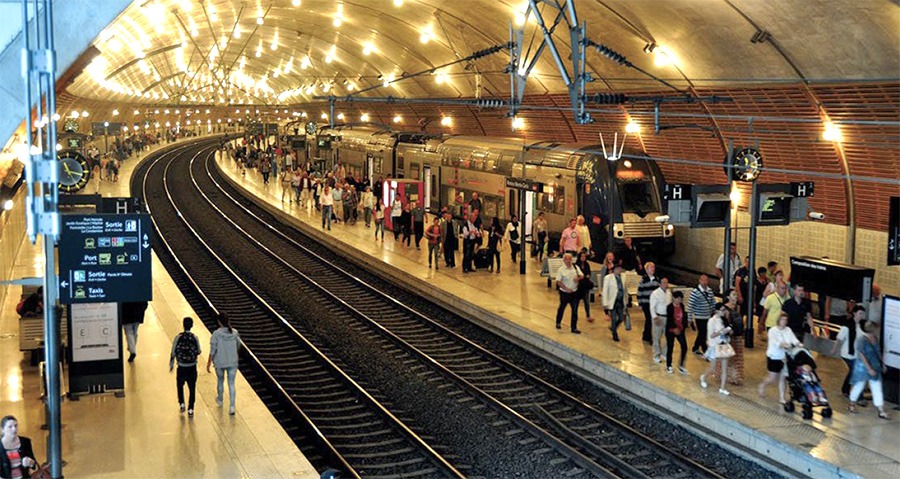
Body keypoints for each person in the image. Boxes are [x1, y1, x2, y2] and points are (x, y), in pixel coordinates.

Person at [848, 321, 890, 419]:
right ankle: (852, 403)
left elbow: (879, 352)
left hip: (875, 366)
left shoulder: (875, 338)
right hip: (863, 367)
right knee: (859, 385)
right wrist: (869, 368)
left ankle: (881, 410)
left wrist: (882, 364)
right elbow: (861, 355)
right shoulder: (861, 340)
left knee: (877, 387)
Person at [757, 313, 801, 404]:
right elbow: (775, 342)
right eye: (782, 320)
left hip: (785, 357)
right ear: (778, 320)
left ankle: (782, 397)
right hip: (774, 357)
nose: (784, 322)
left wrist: (798, 344)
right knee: (772, 378)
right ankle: (763, 385)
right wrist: (784, 345)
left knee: (783, 378)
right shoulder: (773, 331)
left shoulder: (788, 330)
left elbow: (794, 339)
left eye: (785, 320)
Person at [207, 313, 240, 415]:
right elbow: (238, 345)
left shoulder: (216, 334)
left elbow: (213, 350)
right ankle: (232, 407)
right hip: (232, 362)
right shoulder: (234, 333)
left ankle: (220, 399)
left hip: (220, 362)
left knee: (220, 380)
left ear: (219, 322)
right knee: (231, 384)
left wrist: (208, 363)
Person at [170, 317, 202, 417]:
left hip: (181, 367)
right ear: (191, 325)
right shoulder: (194, 337)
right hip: (192, 367)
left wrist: (171, 364)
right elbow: (199, 351)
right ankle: (191, 409)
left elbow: (173, 352)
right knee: (192, 388)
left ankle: (182, 403)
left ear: (183, 325)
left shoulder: (178, 337)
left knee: (180, 386)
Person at [832, 305, 867, 398]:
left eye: (862, 314)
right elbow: (839, 338)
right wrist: (834, 349)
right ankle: (849, 390)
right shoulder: (847, 325)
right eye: (860, 313)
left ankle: (846, 389)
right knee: (853, 370)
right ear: (854, 313)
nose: (861, 315)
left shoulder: (860, 325)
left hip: (855, 353)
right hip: (847, 353)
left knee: (853, 371)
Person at [700, 303, 733, 395]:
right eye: (722, 310)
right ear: (716, 311)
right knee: (713, 368)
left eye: (724, 310)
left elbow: (727, 333)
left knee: (724, 368)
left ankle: (722, 388)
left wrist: (728, 331)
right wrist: (723, 331)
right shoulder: (712, 321)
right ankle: (703, 377)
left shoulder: (723, 320)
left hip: (724, 345)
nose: (724, 312)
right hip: (715, 346)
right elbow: (711, 335)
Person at [555, 253, 583, 334]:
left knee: (574, 310)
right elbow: (558, 282)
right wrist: (566, 289)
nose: (568, 261)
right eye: (566, 259)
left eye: (570, 259)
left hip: (574, 292)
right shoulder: (561, 270)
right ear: (564, 260)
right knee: (562, 308)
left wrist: (578, 278)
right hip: (564, 293)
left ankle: (574, 327)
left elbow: (582, 275)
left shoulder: (575, 267)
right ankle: (558, 322)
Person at [689, 274, 716, 356]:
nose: (704, 282)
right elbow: (690, 305)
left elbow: (713, 303)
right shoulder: (695, 292)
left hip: (708, 316)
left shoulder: (710, 291)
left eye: (706, 280)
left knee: (703, 333)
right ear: (699, 281)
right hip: (699, 317)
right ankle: (705, 350)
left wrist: (714, 313)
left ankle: (695, 347)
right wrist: (690, 319)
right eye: (703, 280)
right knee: (702, 333)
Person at [722, 289, 745, 386]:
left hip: (738, 336)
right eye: (734, 294)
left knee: (737, 357)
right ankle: (732, 377)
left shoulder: (736, 308)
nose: (736, 296)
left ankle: (734, 376)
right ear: (728, 297)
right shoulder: (726, 309)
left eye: (736, 294)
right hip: (730, 337)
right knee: (731, 358)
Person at [665, 291, 690, 374]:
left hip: (680, 330)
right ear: (674, 298)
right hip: (671, 330)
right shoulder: (669, 307)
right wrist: (674, 328)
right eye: (678, 299)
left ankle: (681, 365)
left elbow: (684, 317)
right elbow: (669, 319)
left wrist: (683, 326)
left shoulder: (682, 306)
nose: (679, 301)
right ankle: (669, 365)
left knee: (684, 346)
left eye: (680, 299)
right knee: (670, 347)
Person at [649, 277, 672, 364]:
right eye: (664, 283)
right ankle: (656, 355)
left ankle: (665, 353)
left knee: (668, 336)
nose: (666, 284)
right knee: (657, 337)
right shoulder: (655, 294)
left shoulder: (669, 293)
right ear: (660, 284)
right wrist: (655, 317)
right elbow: (652, 307)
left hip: (667, 317)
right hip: (659, 317)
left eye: (667, 282)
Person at [602, 264, 627, 342]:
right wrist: (605, 302)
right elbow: (605, 290)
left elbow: (625, 288)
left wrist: (626, 300)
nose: (619, 270)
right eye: (617, 269)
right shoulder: (608, 278)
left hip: (620, 300)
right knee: (613, 317)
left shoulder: (623, 277)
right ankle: (614, 333)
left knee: (621, 317)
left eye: (620, 269)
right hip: (612, 300)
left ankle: (613, 327)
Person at [637, 263, 660, 343]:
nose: (653, 269)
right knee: (649, 319)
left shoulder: (656, 279)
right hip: (646, 303)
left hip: (654, 303)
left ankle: (646, 335)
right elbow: (640, 292)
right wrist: (640, 303)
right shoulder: (643, 280)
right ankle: (648, 337)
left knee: (650, 320)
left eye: (653, 267)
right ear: (646, 270)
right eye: (651, 268)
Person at [574, 250, 594, 323]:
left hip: (585, 285)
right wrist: (584, 276)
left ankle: (588, 315)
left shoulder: (587, 264)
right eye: (582, 256)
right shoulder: (576, 265)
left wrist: (586, 276)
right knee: (576, 302)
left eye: (584, 256)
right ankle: (574, 314)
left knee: (586, 301)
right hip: (579, 286)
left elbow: (588, 273)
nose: (583, 258)